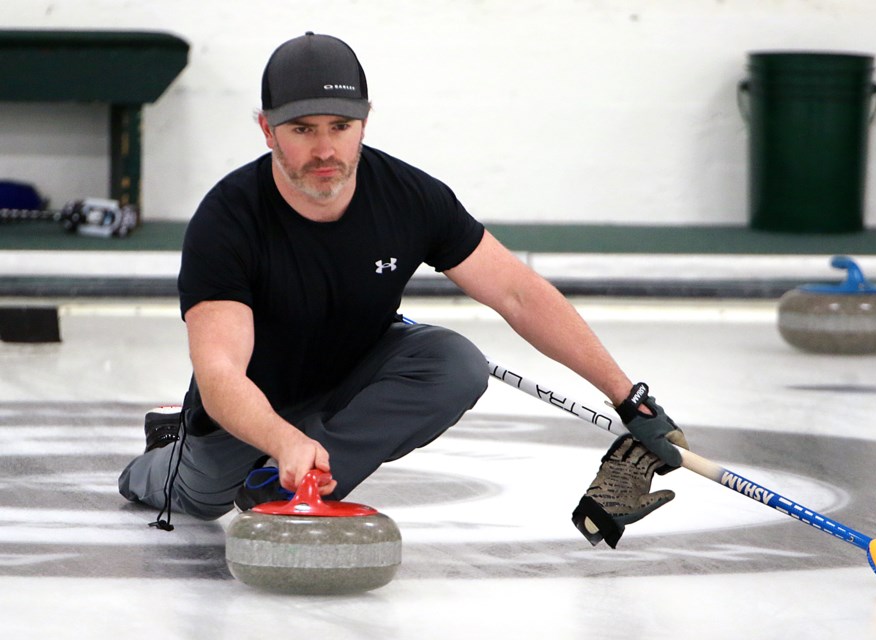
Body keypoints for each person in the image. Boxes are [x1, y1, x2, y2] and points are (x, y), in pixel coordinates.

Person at [118, 33, 687, 545]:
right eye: (302, 130)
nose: (324, 150)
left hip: (351, 374)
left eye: (340, 128)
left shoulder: (412, 199)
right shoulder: (228, 220)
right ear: (267, 129)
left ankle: (285, 486)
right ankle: (166, 454)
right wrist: (282, 438)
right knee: (195, 497)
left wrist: (628, 399)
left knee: (454, 362)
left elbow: (519, 293)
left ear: (365, 122)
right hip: (247, 409)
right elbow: (221, 377)